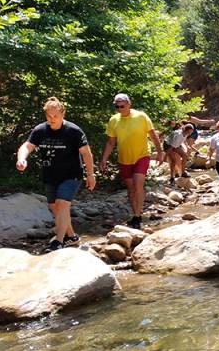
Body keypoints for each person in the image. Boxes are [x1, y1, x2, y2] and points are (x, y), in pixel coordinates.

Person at [15, 97, 96, 253]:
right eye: (49, 116)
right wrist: (21, 159)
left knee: (61, 204)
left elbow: (86, 153)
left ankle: (58, 241)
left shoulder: (73, 131)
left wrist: (90, 174)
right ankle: (72, 236)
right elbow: (27, 146)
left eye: (55, 116)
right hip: (51, 175)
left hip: (71, 174)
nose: (52, 120)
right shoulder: (40, 130)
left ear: (62, 114)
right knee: (55, 208)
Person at [99, 93, 163, 229]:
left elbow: (153, 135)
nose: (120, 109)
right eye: (117, 107)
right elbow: (111, 142)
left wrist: (159, 152)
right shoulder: (114, 120)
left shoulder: (141, 117)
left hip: (142, 155)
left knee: (138, 184)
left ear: (129, 104)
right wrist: (104, 159)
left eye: (122, 106)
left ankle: (138, 216)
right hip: (124, 159)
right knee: (131, 189)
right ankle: (135, 214)